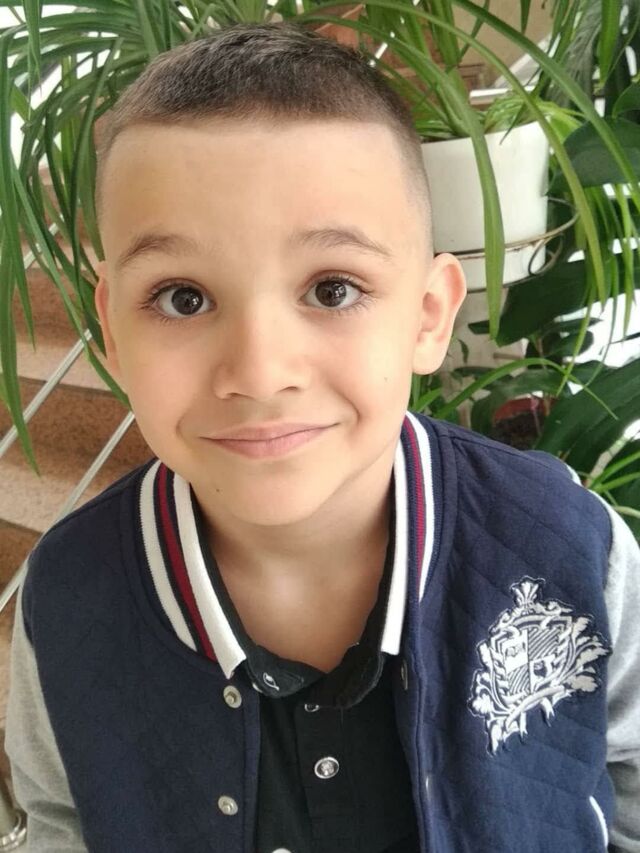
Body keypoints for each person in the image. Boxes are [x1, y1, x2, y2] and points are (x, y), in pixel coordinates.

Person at [4, 20, 640, 853]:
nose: (260, 372)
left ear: (428, 315)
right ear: (112, 331)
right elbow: (60, 822)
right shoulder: (69, 597)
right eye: (183, 297)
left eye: (333, 288)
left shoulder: (571, 548)